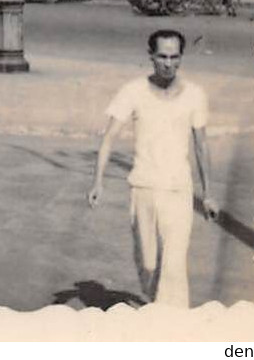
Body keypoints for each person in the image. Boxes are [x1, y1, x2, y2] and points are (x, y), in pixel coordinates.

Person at [88, 29, 221, 308]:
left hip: (177, 189)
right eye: (162, 56)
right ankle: (157, 302)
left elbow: (201, 147)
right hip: (143, 188)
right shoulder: (133, 91)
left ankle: (171, 326)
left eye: (175, 57)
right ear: (151, 56)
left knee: (173, 263)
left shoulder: (195, 95)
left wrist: (208, 193)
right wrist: (97, 182)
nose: (168, 63)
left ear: (181, 57)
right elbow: (109, 138)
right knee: (148, 263)